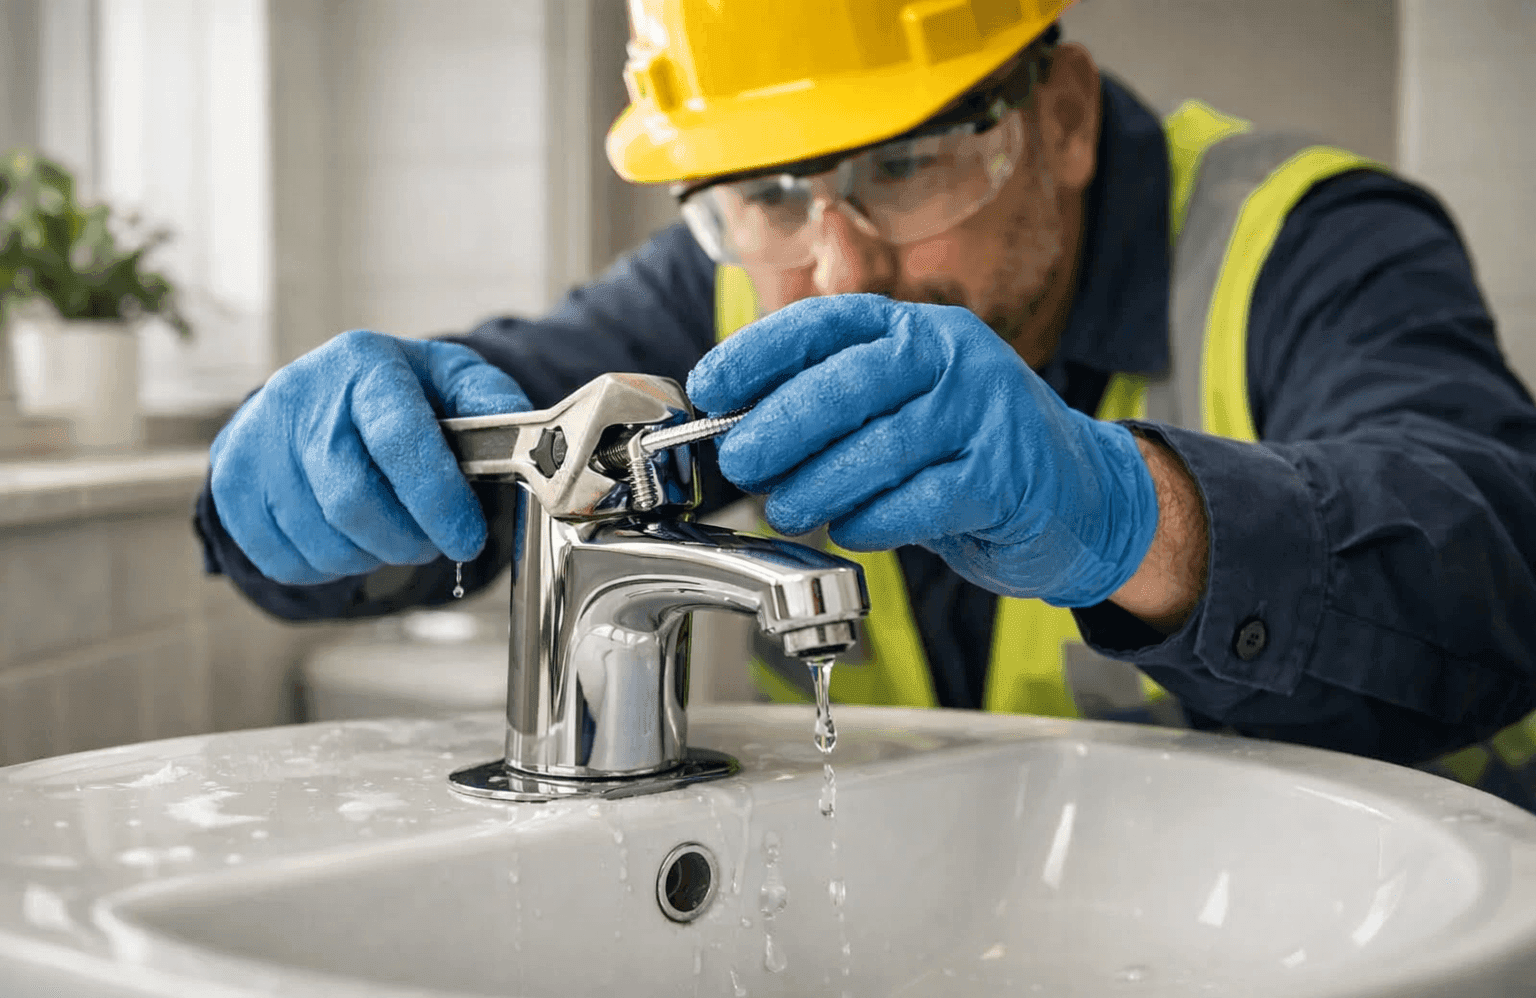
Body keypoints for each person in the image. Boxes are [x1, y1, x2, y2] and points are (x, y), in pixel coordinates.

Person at [196, 1, 1536, 810]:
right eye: (766, 195)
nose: (836, 266)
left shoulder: (1305, 240)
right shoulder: (721, 282)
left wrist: (1140, 517)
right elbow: (458, 464)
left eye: (906, 167)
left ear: (1060, 115)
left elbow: (1503, 566)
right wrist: (303, 471)